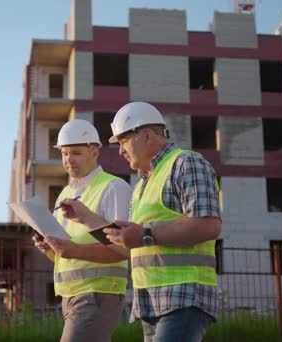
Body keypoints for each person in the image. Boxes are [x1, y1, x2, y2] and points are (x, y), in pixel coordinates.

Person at [59, 102, 221, 342]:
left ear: (146, 135)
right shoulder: (141, 186)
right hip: (151, 301)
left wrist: (146, 234)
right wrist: (86, 218)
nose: (121, 151)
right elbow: (126, 245)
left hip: (184, 294)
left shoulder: (186, 163)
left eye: (123, 141)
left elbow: (209, 225)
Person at [31, 119, 132, 342]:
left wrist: (74, 251)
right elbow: (67, 254)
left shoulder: (114, 188)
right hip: (69, 295)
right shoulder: (65, 193)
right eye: (64, 154)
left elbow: (124, 249)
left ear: (95, 151)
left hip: (98, 292)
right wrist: (49, 249)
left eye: (75, 153)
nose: (68, 160)